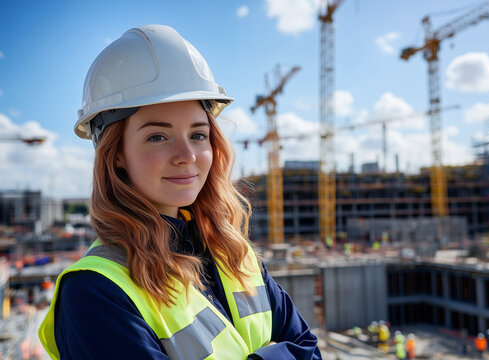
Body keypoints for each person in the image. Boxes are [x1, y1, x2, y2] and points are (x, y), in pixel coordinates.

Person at [38, 25, 321, 359]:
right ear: (115, 154)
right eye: (158, 136)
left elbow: (310, 349)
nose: (186, 155)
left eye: (198, 135)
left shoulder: (235, 255)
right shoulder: (95, 292)